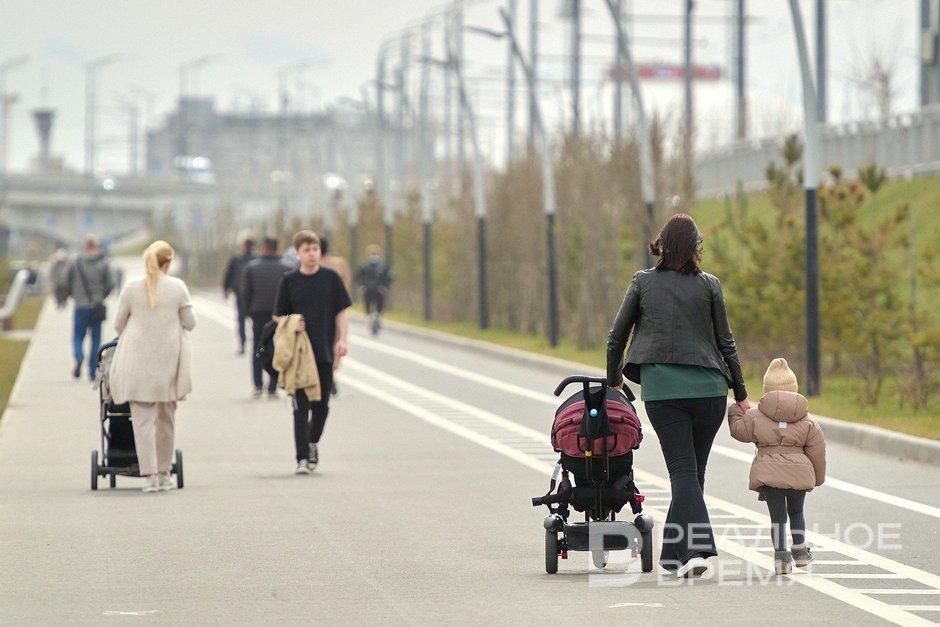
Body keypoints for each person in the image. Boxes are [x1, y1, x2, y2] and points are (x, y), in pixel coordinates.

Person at [606, 213, 748, 578]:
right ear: (696, 248)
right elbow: (725, 342)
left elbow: (616, 336)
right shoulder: (710, 286)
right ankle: (674, 556)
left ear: (662, 245)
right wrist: (741, 393)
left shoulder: (642, 282)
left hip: (664, 392)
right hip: (710, 392)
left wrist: (615, 380)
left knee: (684, 474)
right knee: (692, 476)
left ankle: (698, 550)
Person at [108, 241, 196, 493]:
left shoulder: (130, 287)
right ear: (168, 262)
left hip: (136, 363)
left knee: (143, 421)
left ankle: (150, 475)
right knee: (166, 419)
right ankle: (165, 473)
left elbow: (118, 325)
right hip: (168, 364)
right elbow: (189, 323)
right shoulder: (177, 288)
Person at [728, 358, 826, 575]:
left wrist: (735, 410)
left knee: (778, 517)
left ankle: (781, 558)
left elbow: (738, 431)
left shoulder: (754, 417)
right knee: (797, 511)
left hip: (769, 474)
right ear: (794, 388)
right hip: (799, 474)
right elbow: (817, 451)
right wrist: (817, 478)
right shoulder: (808, 420)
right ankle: (800, 552)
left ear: (766, 390)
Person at [273, 230, 351, 475]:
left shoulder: (331, 279)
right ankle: (301, 458)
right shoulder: (289, 280)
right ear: (298, 254)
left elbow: (342, 312)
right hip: (299, 354)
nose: (311, 254)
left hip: (325, 351)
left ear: (320, 251)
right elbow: (278, 315)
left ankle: (312, 442)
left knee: (322, 406)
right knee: (300, 407)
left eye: (315, 249)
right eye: (306, 250)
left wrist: (343, 340)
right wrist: (293, 321)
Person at [240, 236, 293, 399]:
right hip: (280, 314)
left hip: (258, 313)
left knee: (258, 347)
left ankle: (257, 384)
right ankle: (272, 386)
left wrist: (248, 312)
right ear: (277, 248)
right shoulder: (288, 268)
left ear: (263, 248)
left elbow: (245, 293)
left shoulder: (251, 268)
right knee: (278, 348)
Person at [58, 234, 115, 380]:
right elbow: (111, 284)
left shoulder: (75, 262)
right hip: (97, 306)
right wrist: (102, 296)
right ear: (96, 246)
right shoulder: (103, 263)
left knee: (77, 336)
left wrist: (70, 295)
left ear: (84, 246)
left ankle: (79, 355)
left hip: (80, 306)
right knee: (96, 339)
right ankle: (91, 371)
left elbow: (64, 282)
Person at [318, 236, 351, 395]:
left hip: (319, 311)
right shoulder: (340, 264)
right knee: (336, 342)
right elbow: (346, 286)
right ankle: (331, 374)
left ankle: (325, 377)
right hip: (338, 309)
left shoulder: (313, 265)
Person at [222, 234, 257, 355]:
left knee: (241, 319)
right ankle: (255, 343)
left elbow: (228, 275)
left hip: (240, 294)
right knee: (255, 320)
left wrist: (226, 289)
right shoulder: (256, 259)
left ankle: (243, 344)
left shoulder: (236, 259)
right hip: (254, 295)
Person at [354, 244, 393, 335]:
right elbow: (358, 276)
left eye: (375, 253)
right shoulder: (364, 266)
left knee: (379, 306)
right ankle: (370, 317)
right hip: (368, 289)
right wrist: (362, 285)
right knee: (367, 305)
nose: (373, 256)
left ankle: (377, 317)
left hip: (379, 289)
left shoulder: (383, 267)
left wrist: (385, 286)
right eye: (372, 253)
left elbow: (389, 277)